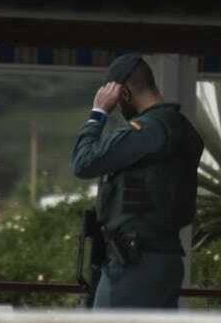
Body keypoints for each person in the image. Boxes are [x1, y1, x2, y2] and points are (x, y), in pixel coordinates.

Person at [71, 53, 204, 309]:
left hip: (135, 265)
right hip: (164, 258)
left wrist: (98, 112)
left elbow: (83, 162)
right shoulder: (181, 128)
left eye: (118, 102)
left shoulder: (150, 130)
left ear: (124, 94)